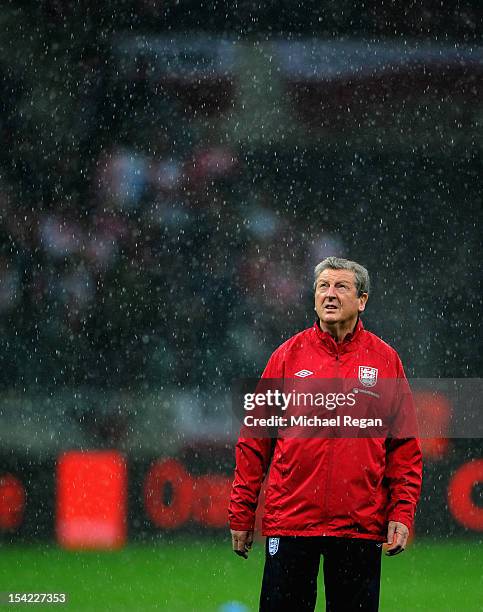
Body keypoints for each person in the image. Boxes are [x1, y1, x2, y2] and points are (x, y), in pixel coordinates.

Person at [228, 256, 423, 612]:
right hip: (291, 524)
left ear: (362, 301)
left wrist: (401, 513)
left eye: (341, 287)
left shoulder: (385, 361)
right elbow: (254, 441)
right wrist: (241, 513)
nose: (329, 295)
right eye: (323, 287)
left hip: (358, 526)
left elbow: (404, 449)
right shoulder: (286, 357)